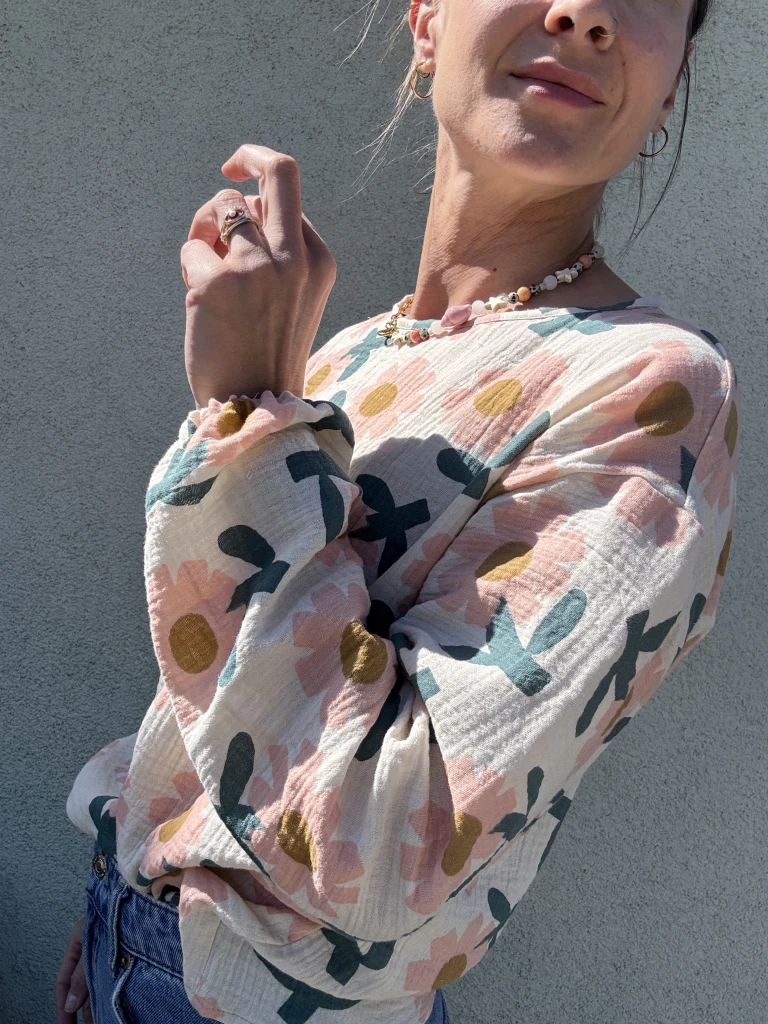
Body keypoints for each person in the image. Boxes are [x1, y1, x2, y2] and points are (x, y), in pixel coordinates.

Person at [57, 0, 739, 1022]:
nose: (585, 12)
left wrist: (250, 416)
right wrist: (138, 853)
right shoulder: (357, 350)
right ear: (427, 21)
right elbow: (226, 680)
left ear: (670, 83)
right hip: (139, 947)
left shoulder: (652, 389)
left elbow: (382, 842)